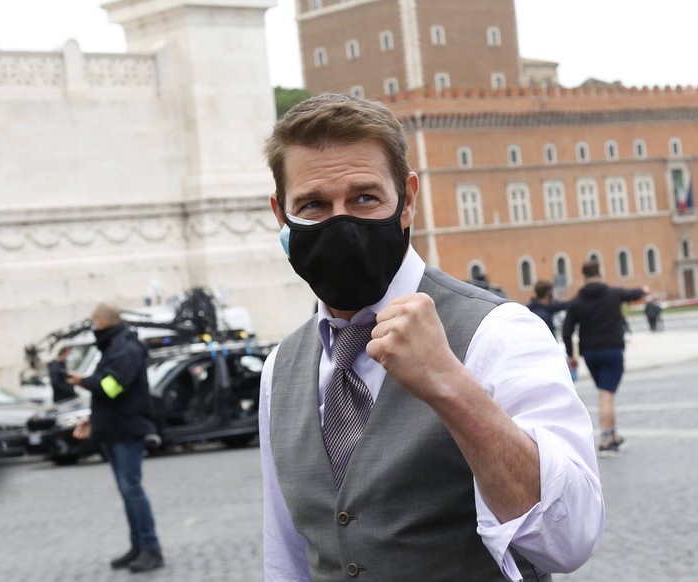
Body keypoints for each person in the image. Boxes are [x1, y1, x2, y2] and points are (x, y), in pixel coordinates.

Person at [259, 94, 604, 581]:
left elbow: (569, 541)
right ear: (282, 217)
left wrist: (450, 384)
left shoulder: (499, 333)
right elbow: (288, 556)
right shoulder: (281, 368)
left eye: (364, 197)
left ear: (407, 201)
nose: (342, 222)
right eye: (313, 205)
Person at [67, 303, 164, 573]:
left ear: (101, 322)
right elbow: (111, 393)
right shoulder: (114, 346)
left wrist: (82, 381)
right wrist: (92, 418)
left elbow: (112, 387)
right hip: (114, 428)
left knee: (132, 491)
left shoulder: (125, 348)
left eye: (93, 322)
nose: (92, 327)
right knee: (127, 492)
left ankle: (150, 548)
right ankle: (138, 545)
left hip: (127, 431)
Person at [561, 261, 647, 456]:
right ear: (600, 273)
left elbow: (567, 331)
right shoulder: (612, 293)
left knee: (605, 392)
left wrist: (571, 354)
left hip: (590, 353)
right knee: (606, 396)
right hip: (612, 350)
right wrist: (643, 289)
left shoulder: (577, 302)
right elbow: (633, 294)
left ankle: (614, 435)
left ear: (583, 276)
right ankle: (606, 439)